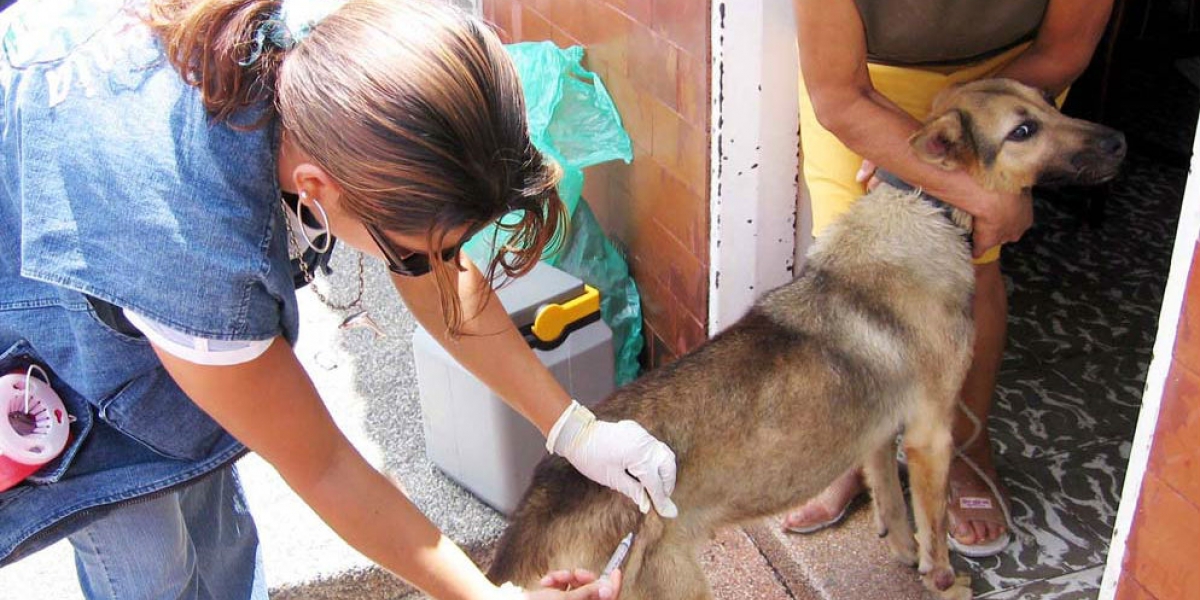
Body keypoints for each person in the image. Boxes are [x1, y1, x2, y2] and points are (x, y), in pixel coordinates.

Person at [0, 0, 679, 598]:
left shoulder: (338, 60)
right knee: (151, 556)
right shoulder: (188, 243)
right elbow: (325, 466)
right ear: (316, 187)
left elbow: (436, 276)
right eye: (416, 251)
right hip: (43, 285)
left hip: (120, 223)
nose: (441, 268)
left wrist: (575, 429)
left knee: (217, 531)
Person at [787, 0, 1113, 557]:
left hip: (1011, 83)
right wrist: (930, 164)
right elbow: (840, 95)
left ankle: (967, 449)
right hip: (869, 85)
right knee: (850, 274)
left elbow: (1064, 49)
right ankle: (851, 447)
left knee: (971, 272)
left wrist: (966, 141)